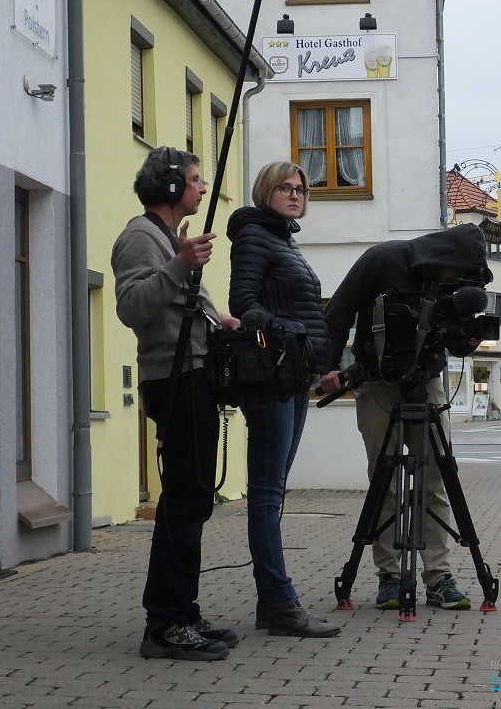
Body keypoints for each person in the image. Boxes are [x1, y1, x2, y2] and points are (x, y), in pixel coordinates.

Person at [320, 224, 491, 611]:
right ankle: (390, 577)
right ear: (442, 259)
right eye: (455, 273)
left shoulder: (457, 280)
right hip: (378, 380)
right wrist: (327, 365)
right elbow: (339, 311)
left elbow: (449, 333)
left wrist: (465, 339)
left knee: (434, 478)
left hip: (426, 379)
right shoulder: (383, 260)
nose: (457, 281)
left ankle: (439, 576)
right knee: (385, 482)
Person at [112, 146, 240, 661]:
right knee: (185, 503)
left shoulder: (166, 239)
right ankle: (165, 623)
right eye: (194, 179)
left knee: (191, 500)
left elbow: (185, 303)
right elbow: (130, 307)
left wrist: (220, 319)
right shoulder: (140, 237)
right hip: (175, 379)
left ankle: (181, 612)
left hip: (193, 376)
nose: (203, 187)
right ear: (169, 187)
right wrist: (177, 265)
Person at [226, 161, 340, 638]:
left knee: (273, 494)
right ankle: (278, 601)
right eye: (285, 188)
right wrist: (284, 332)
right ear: (265, 192)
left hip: (294, 377)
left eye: (301, 190)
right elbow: (242, 302)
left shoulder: (284, 239)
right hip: (271, 378)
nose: (295, 195)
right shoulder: (255, 236)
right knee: (267, 493)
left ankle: (270, 602)